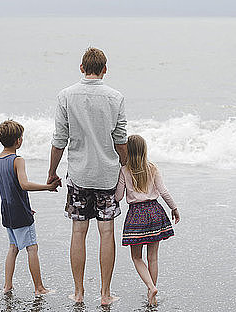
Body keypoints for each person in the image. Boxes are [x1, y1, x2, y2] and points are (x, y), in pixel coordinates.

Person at [47, 47, 127, 305]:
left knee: (78, 231)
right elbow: (120, 140)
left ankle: (79, 293)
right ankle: (105, 294)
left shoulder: (65, 96)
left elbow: (59, 140)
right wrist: (126, 167)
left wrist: (52, 173)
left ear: (81, 68)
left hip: (79, 175)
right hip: (106, 176)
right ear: (104, 70)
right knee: (106, 233)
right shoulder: (116, 97)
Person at [0, 120, 60, 296]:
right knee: (32, 248)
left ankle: (7, 285)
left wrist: (26, 207)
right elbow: (23, 185)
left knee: (13, 247)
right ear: (18, 141)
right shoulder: (17, 160)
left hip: (7, 211)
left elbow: (9, 188)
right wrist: (48, 187)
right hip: (19, 212)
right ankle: (39, 288)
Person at [115, 134, 180, 306]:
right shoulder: (152, 168)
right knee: (153, 257)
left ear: (127, 150)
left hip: (136, 215)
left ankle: (151, 287)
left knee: (137, 258)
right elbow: (164, 192)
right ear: (145, 150)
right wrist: (174, 208)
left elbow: (118, 196)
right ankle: (153, 296)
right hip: (155, 212)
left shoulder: (124, 170)